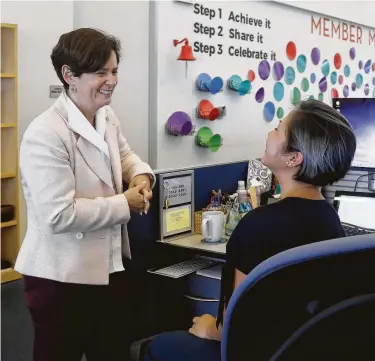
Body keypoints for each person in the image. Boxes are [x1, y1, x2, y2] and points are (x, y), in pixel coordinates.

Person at [144, 99, 357, 361]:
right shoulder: (329, 218)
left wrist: (210, 328)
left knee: (158, 346)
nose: (270, 133)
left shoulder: (257, 225)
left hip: (257, 350)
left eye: (278, 129)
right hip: (300, 348)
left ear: (293, 158)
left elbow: (236, 325)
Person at [15, 28, 155, 361]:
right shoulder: (45, 133)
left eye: (114, 70)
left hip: (109, 265)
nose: (112, 80)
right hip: (60, 277)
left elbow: (124, 155)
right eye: (101, 72)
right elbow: (58, 215)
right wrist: (126, 203)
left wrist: (139, 175)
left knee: (111, 350)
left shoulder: (105, 117)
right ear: (69, 75)